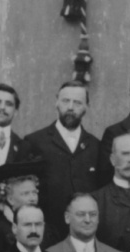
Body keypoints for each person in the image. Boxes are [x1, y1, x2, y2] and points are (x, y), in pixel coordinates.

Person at [24, 79, 104, 235]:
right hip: (47, 232)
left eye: (77, 102)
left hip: (85, 233)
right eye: (66, 101)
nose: (70, 107)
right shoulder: (34, 142)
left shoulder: (96, 146)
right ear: (56, 103)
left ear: (86, 107)